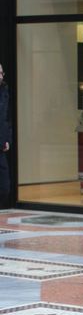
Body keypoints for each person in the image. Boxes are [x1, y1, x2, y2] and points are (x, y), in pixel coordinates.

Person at [0, 64, 11, 208]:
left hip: (1, 147)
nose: (1, 76)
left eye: (2, 73)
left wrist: (7, 139)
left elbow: (7, 119)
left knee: (4, 187)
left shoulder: (4, 91)